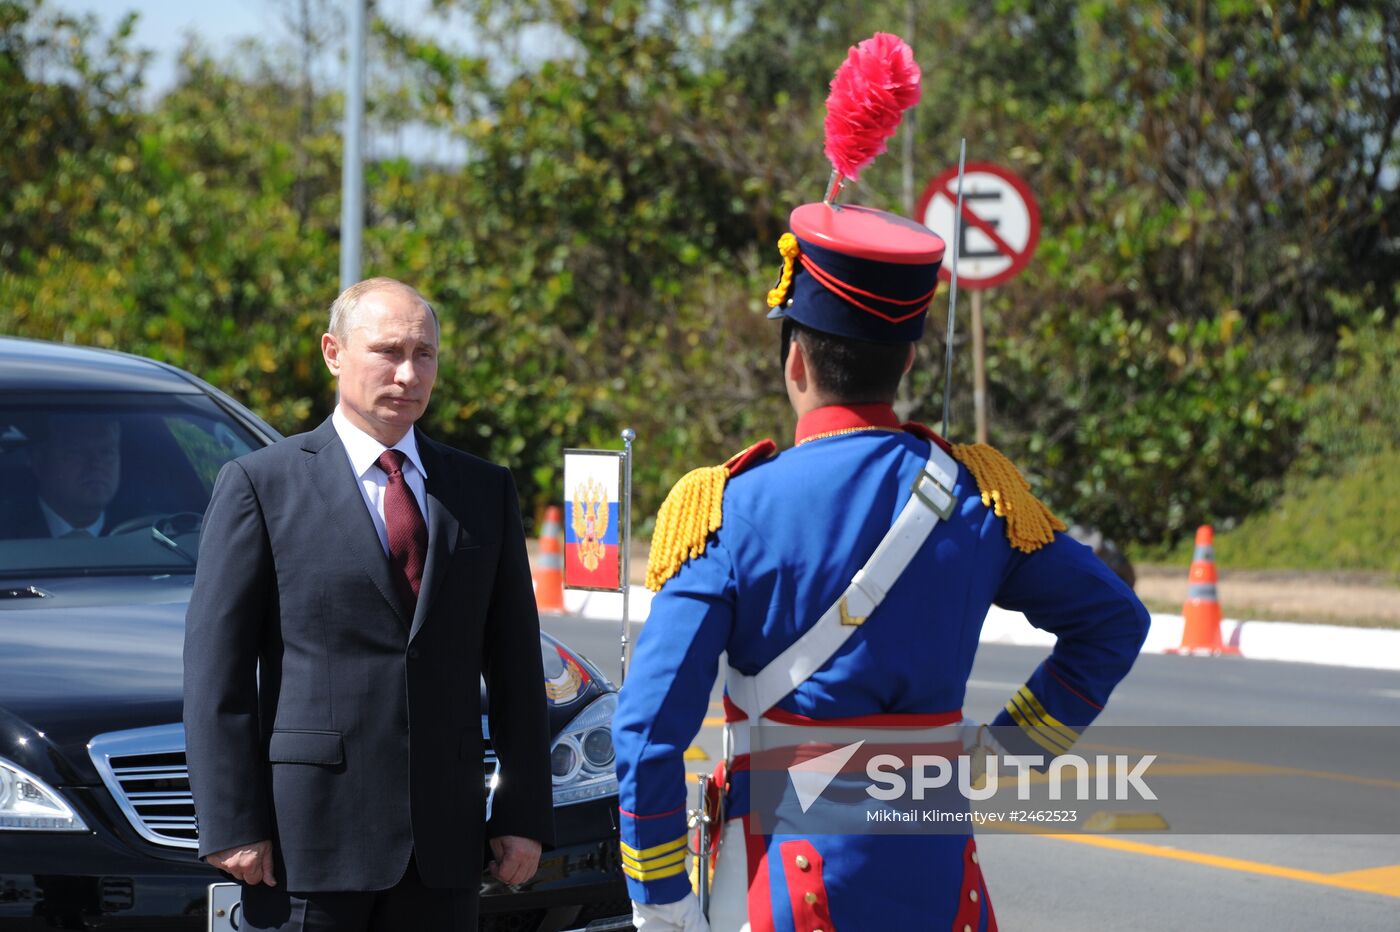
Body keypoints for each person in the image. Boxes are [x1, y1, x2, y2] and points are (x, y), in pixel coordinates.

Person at [613, 187, 1150, 928]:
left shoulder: (726, 507)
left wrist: (663, 905)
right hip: (941, 883)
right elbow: (1113, 621)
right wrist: (1008, 753)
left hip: (783, 880)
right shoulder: (980, 497)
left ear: (795, 360)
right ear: (907, 360)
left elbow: (648, 733)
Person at [183, 277, 554, 931]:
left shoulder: (482, 490)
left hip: (443, 848)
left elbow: (517, 668)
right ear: (334, 353)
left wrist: (523, 814)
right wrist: (232, 821)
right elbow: (218, 673)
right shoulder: (262, 485)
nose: (408, 374)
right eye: (388, 351)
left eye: (424, 354)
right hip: (306, 843)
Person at [9, 416, 122, 538]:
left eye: (107, 452)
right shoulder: (7, 532)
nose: (96, 464)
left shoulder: (135, 529)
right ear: (40, 463)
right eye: (77, 452)